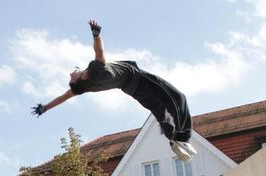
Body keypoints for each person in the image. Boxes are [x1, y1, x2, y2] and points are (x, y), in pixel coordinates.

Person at [31, 19, 197, 162]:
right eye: (72, 74)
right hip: (139, 78)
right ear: (80, 77)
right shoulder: (94, 70)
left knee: (160, 111)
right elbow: (99, 51)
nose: (71, 72)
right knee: (177, 98)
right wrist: (96, 35)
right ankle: (182, 137)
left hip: (131, 89)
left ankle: (173, 139)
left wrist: (45, 108)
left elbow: (62, 98)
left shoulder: (82, 88)